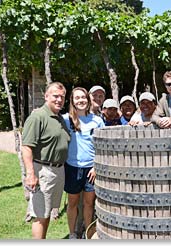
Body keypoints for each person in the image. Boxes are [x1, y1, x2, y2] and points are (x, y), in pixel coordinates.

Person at [21, 82, 70, 239]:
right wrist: (30, 174)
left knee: (47, 213)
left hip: (57, 171)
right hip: (43, 171)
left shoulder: (59, 118)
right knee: (40, 214)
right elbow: (26, 147)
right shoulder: (38, 117)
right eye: (55, 96)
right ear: (46, 96)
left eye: (62, 97)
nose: (59, 100)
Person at [62, 87, 105, 239]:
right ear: (72, 101)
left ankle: (88, 233)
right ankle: (72, 233)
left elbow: (103, 147)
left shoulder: (97, 120)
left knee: (89, 204)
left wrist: (95, 166)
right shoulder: (65, 119)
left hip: (90, 169)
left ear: (88, 99)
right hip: (72, 168)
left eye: (83, 97)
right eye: (77, 98)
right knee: (72, 203)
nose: (80, 100)